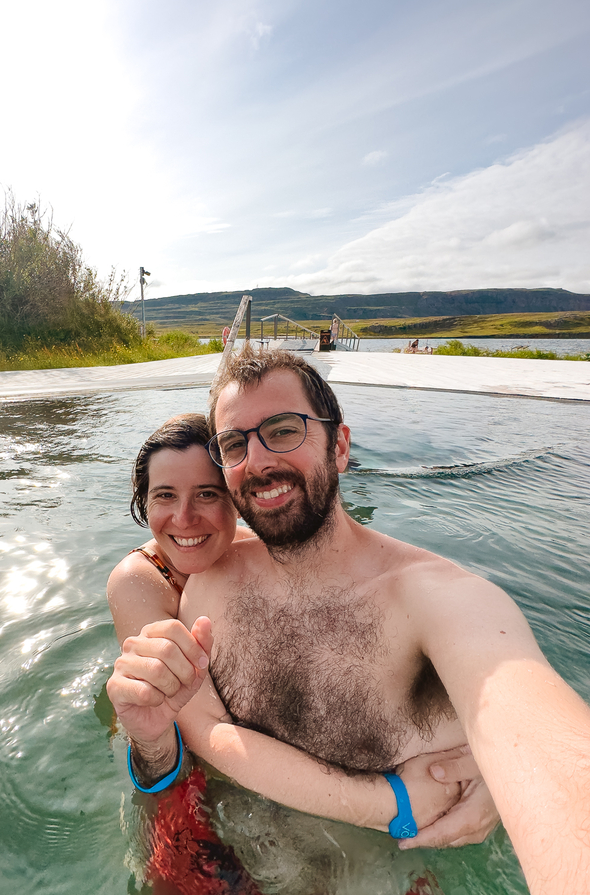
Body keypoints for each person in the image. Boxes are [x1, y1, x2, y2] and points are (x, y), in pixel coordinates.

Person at [111, 346, 590, 895]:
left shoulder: (441, 601)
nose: (260, 460)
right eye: (235, 443)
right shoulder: (212, 583)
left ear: (339, 446)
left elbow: (548, 749)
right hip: (239, 862)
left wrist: (506, 778)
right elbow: (204, 728)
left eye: (285, 430)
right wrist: (394, 803)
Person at [108, 413, 480, 836]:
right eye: (164, 496)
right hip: (174, 758)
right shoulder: (139, 578)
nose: (185, 518)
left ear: (237, 497)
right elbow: (193, 724)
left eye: (208, 494)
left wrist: (477, 769)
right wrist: (392, 804)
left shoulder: (246, 550)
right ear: (143, 502)